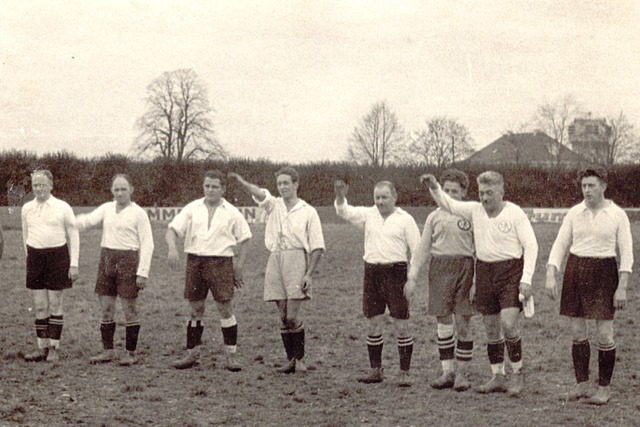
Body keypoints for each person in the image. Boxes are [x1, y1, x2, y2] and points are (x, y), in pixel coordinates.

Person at [422, 171, 538, 397]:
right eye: (482, 193)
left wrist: (526, 279)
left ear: (501, 192)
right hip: (485, 271)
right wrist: (434, 186)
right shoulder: (475, 210)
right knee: (491, 327)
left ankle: (517, 372)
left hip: (511, 271)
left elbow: (531, 245)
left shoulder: (515, 213)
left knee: (508, 323)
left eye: (490, 193)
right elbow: (448, 203)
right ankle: (498, 376)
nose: (485, 198)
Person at [546, 166, 633, 406]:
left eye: (591, 185)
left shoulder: (617, 214)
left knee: (605, 333)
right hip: (576, 271)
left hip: (604, 273)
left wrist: (622, 286)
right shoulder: (575, 213)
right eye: (583, 186)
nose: (586, 190)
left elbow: (626, 253)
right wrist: (551, 273)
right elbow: (560, 244)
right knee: (577, 332)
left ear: (603, 186)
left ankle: (604, 389)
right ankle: (582, 385)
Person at [229, 168, 324, 374]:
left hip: (296, 258)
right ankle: (290, 360)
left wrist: (309, 273)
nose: (282, 187)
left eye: (286, 183)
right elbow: (260, 194)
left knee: (292, 316)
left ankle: (300, 360)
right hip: (275, 258)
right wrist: (243, 183)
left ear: (296, 184)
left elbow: (317, 246)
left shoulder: (308, 211)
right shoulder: (274, 205)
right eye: (279, 184)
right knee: (282, 316)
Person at [334, 178, 420, 387]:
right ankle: (376, 370)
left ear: (395, 197)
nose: (380, 202)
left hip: (396, 272)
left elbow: (417, 250)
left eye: (384, 197)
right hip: (372, 271)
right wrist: (340, 196)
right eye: (377, 197)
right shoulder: (368, 214)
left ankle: (404, 372)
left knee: (401, 322)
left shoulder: (405, 219)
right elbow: (344, 211)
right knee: (373, 322)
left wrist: (412, 279)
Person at [166, 170, 252, 371]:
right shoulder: (193, 208)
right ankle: (192, 354)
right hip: (195, 261)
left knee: (225, 308)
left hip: (221, 262)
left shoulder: (232, 212)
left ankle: (231, 356)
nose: (210, 190)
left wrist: (238, 267)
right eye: (207, 186)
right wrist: (172, 247)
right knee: (195, 309)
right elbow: (172, 230)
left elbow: (246, 239)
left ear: (223, 189)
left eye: (215, 186)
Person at [404, 169, 475, 391]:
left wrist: (476, 280)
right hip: (440, 270)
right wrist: (412, 277)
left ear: (464, 192)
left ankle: (462, 375)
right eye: (446, 190)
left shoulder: (472, 214)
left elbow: (482, 249)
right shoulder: (434, 217)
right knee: (443, 323)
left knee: (463, 322)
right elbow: (422, 250)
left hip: (465, 269)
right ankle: (447, 372)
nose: (450, 194)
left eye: (455, 191)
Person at [76, 174, 154, 366]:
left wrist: (142, 272)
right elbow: (87, 221)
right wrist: (66, 222)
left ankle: (131, 353)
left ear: (131, 190)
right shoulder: (107, 208)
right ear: (112, 190)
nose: (119, 193)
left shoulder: (138, 213)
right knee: (106, 308)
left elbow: (148, 243)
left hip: (128, 261)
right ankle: (107, 351)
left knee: (129, 309)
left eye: (123, 189)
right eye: (116, 189)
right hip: (107, 260)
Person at [21, 169, 79, 362]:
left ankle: (54, 347)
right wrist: (29, 256)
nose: (39, 189)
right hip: (36, 258)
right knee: (39, 306)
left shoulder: (62, 207)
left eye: (42, 185)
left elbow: (74, 234)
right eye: (35, 185)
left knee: (55, 303)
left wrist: (74, 264)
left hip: (57, 256)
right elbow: (25, 235)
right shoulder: (27, 208)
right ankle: (41, 347)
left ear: (51, 185)